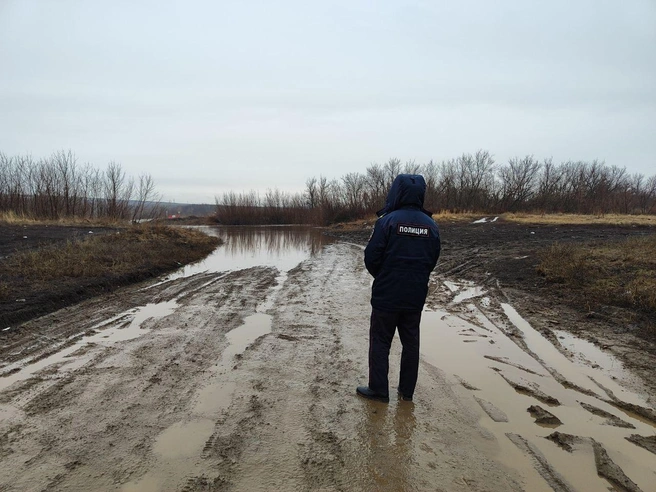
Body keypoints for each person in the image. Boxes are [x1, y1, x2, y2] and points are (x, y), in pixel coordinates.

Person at [357, 174, 441, 403]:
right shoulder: (431, 225)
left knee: (380, 341)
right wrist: (416, 277)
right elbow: (432, 259)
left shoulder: (387, 221)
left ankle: (379, 390)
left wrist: (384, 276)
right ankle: (407, 392)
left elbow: (371, 257)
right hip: (415, 294)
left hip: (387, 293)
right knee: (411, 343)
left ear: (396, 192)